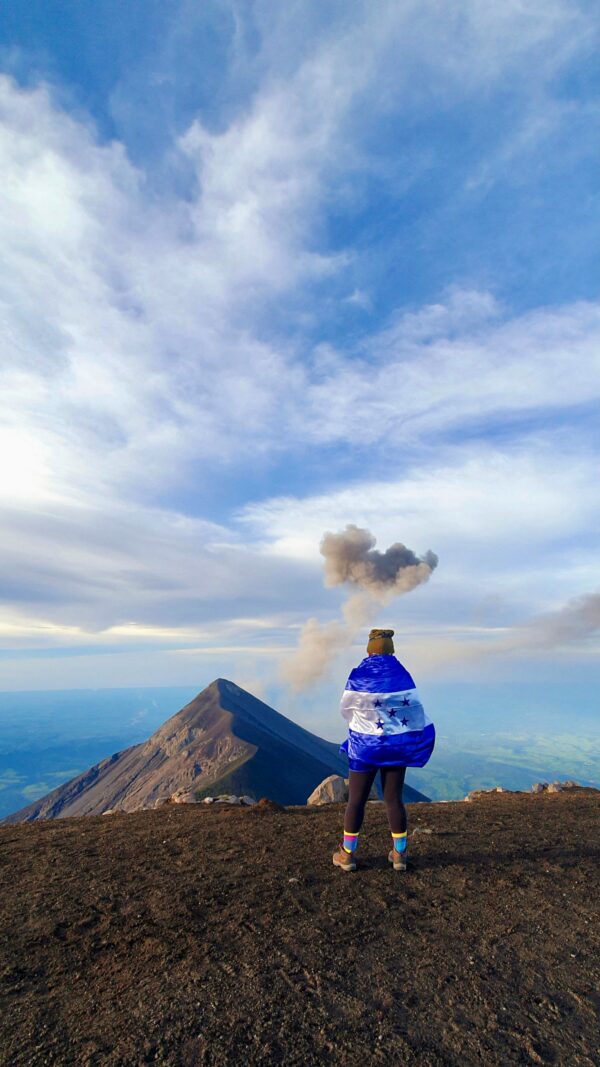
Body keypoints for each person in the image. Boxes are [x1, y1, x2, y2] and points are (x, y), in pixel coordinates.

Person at [332, 628, 435, 873]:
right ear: (392, 649)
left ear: (369, 650)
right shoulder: (403, 675)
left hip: (364, 748)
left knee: (356, 800)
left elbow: (345, 709)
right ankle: (399, 854)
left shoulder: (358, 675)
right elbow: (414, 710)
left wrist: (362, 724)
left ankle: (347, 855)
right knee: (393, 799)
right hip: (395, 748)